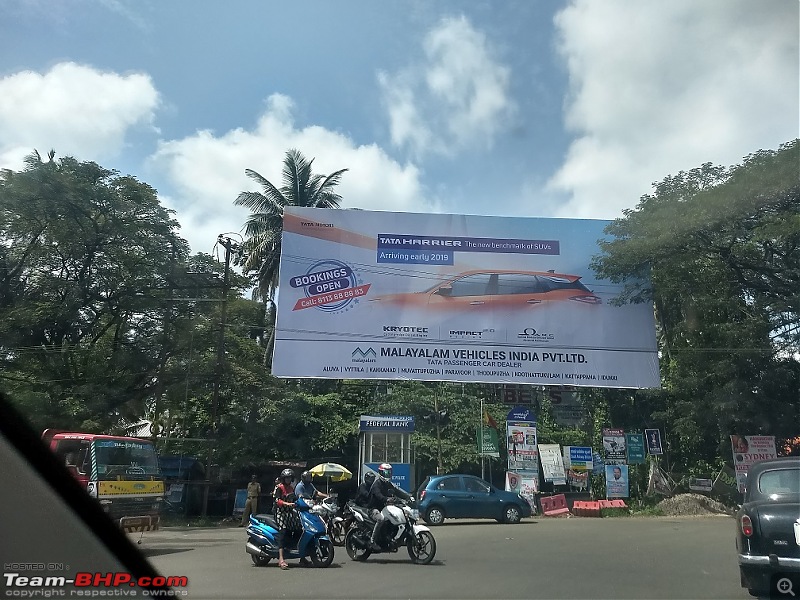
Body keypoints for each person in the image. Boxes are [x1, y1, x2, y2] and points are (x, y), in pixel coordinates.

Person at [367, 463, 411, 551]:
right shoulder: (377, 484)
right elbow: (379, 496)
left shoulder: (387, 484)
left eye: (389, 473)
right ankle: (372, 541)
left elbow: (396, 491)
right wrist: (387, 499)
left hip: (384, 508)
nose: (388, 475)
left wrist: (408, 496)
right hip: (374, 509)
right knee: (381, 519)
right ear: (381, 473)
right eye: (386, 473)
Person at [272, 468, 300, 570]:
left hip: (289, 513)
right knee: (283, 531)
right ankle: (281, 559)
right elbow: (277, 501)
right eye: (286, 478)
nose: (288, 480)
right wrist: (287, 503)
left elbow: (296, 499)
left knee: (299, 528)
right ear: (283, 479)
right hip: (280, 513)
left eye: (289, 478)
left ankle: (301, 555)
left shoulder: (291, 489)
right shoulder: (279, 488)